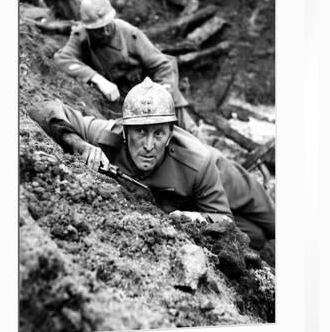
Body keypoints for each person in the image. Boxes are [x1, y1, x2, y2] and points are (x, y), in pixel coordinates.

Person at [29, 78, 275, 257]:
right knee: (257, 239)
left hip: (229, 181)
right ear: (125, 131)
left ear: (170, 134)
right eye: (140, 132)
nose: (148, 145)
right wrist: (80, 145)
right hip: (191, 195)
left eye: (158, 133)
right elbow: (42, 108)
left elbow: (224, 219)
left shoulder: (199, 161)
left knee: (276, 227)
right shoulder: (107, 135)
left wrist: (197, 218)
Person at [54, 0, 203, 139]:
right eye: (98, 29)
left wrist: (161, 99)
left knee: (190, 134)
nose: (105, 32)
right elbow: (62, 59)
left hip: (155, 90)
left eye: (108, 24)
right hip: (127, 102)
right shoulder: (82, 36)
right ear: (87, 27)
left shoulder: (129, 33)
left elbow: (162, 66)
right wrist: (97, 78)